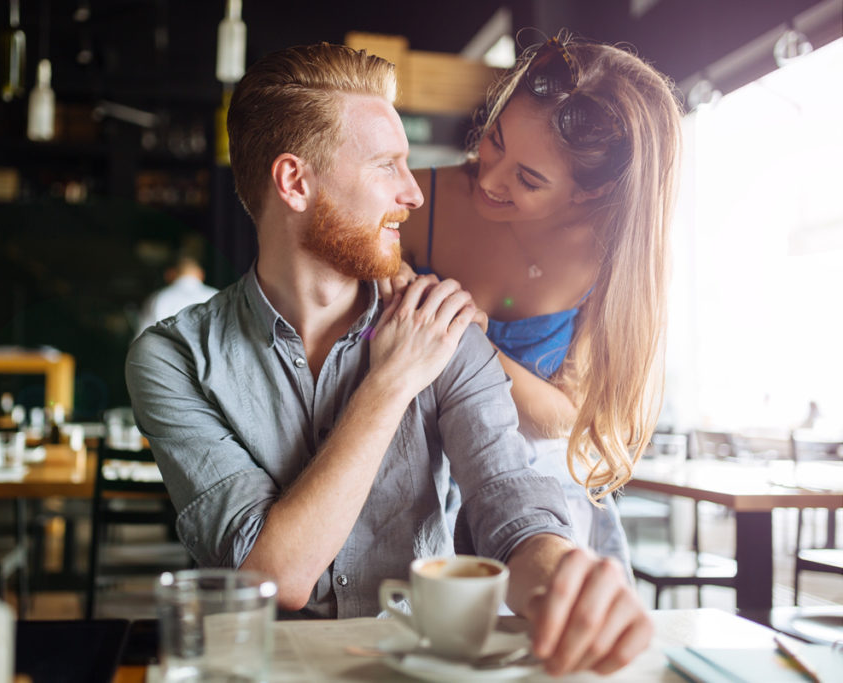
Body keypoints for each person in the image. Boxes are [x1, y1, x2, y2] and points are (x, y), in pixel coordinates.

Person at [126, 42, 651, 675]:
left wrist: (563, 575)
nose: (414, 193)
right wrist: (390, 381)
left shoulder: (441, 328)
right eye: (387, 166)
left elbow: (512, 507)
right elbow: (270, 576)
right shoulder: (173, 358)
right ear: (295, 182)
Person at [383, 33, 683, 570]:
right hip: (407, 494)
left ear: (587, 192)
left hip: (542, 510)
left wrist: (461, 340)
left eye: (528, 178)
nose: (488, 179)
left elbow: (573, 422)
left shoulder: (613, 257)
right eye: (494, 140)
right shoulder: (416, 201)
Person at [135, 255, 218, 337]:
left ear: (169, 274)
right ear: (201, 274)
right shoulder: (215, 296)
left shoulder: (158, 298)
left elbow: (142, 337)